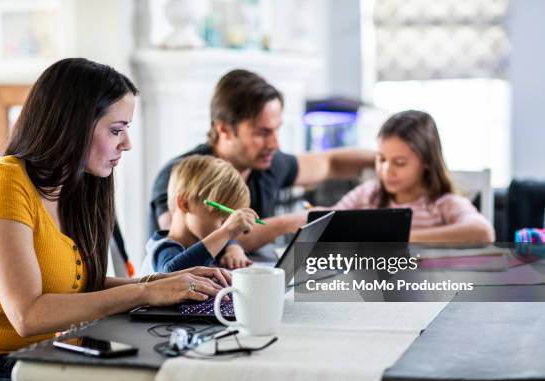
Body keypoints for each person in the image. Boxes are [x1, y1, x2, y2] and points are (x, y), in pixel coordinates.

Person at [0, 58, 229, 381]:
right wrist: (145, 294)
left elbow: (79, 289)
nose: (127, 144)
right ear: (73, 126)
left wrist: (163, 284)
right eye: (116, 130)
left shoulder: (75, 191)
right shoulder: (4, 182)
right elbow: (28, 314)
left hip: (30, 362)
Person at [149, 69, 375, 253]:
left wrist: (386, 160)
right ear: (224, 129)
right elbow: (186, 247)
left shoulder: (268, 164)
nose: (274, 144)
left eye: (276, 130)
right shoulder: (180, 175)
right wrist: (290, 222)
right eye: (262, 133)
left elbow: (331, 163)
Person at [333, 110, 495, 243]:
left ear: (426, 161)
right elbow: (327, 218)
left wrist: (399, 239)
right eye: (381, 159)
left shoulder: (442, 204)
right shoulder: (367, 194)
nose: (386, 171)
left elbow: (483, 233)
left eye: (400, 162)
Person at [141, 155, 258, 275]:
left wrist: (233, 247)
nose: (224, 227)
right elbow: (172, 274)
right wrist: (226, 232)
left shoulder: (200, 240)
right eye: (222, 221)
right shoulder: (163, 249)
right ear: (185, 203)